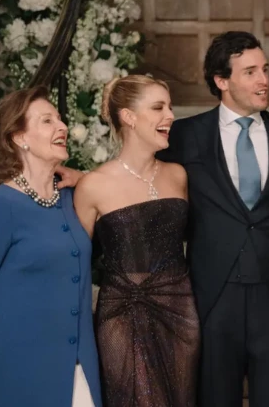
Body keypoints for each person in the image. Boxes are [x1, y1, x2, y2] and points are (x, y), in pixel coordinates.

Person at [151, 30, 269, 407]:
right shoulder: (184, 136)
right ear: (222, 81)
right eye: (250, 72)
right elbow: (142, 178)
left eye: (265, 69)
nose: (264, 80)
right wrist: (84, 179)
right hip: (211, 300)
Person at [73, 75, 200, 406]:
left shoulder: (178, 175)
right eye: (158, 107)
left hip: (180, 312)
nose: (170, 115)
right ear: (128, 117)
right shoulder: (92, 185)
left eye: (170, 107)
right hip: (121, 315)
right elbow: (75, 264)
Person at [0, 86, 101, 406]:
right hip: (15, 370)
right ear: (19, 137)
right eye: (47, 121)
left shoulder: (73, 197)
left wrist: (84, 180)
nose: (62, 126)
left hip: (78, 365)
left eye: (61, 119)